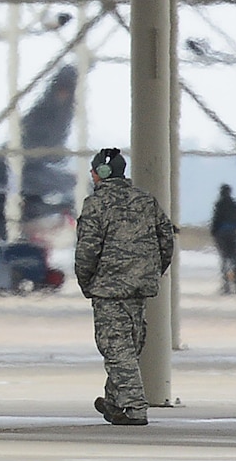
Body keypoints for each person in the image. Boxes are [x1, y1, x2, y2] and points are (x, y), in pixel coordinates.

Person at [74, 147, 178, 427]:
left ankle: (133, 408)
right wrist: (152, 271)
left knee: (116, 348)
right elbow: (166, 240)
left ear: (100, 174)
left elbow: (87, 250)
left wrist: (87, 282)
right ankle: (113, 401)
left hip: (109, 289)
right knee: (129, 345)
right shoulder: (146, 201)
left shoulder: (96, 204)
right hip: (139, 287)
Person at [210, 183, 236, 294]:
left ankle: (226, 286)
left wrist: (214, 233)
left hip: (222, 234)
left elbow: (216, 220)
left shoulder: (219, 204)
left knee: (225, 259)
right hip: (234, 234)